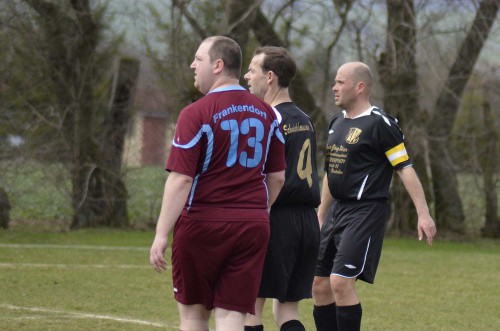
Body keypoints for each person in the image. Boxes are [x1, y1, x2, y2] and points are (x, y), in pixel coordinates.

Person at [149, 36, 286, 331]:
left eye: (198, 59)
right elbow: (277, 177)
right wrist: (256, 210)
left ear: (218, 65)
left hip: (202, 223)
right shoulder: (268, 113)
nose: (192, 65)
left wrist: (161, 233)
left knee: (194, 316)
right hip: (252, 225)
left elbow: (182, 178)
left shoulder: (195, 113)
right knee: (232, 316)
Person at [312, 61, 437, 331]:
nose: (334, 87)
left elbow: (404, 168)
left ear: (360, 87)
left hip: (364, 211)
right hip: (335, 212)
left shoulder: (381, 124)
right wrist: (321, 214)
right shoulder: (336, 122)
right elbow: (330, 172)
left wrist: (423, 213)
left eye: (340, 82)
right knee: (319, 285)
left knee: (341, 282)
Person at [243, 46, 321, 331]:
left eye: (253, 70)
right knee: (287, 311)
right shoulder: (304, 119)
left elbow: (266, 175)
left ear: (271, 77)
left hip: (276, 218)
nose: (247, 76)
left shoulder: (269, 118)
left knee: (250, 306)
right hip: (307, 223)